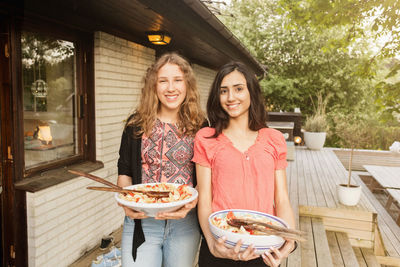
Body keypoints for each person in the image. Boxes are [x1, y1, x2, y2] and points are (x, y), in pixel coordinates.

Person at [193, 61, 297, 267]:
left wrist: (289, 240)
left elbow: (281, 198)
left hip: (263, 246)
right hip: (221, 245)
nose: (231, 97)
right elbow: (205, 198)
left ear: (252, 92)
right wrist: (213, 245)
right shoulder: (206, 138)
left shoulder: (273, 139)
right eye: (224, 91)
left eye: (239, 89)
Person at [117, 52, 205, 267]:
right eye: (162, 81)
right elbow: (125, 171)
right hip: (142, 221)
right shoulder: (135, 124)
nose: (170, 88)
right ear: (153, 86)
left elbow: (205, 179)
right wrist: (126, 202)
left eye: (177, 80)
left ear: (187, 85)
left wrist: (192, 202)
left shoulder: (201, 126)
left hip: (185, 222)